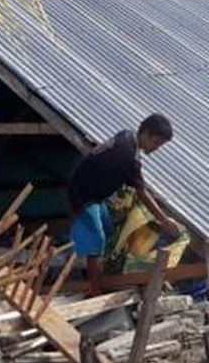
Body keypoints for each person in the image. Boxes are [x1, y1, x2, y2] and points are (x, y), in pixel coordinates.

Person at [68, 113, 183, 296]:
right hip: (83, 197)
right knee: (97, 241)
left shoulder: (127, 136)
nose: (156, 148)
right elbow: (141, 191)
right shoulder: (129, 156)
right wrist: (164, 220)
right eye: (155, 143)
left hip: (96, 196)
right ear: (145, 133)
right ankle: (94, 289)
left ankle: (99, 274)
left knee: (110, 231)